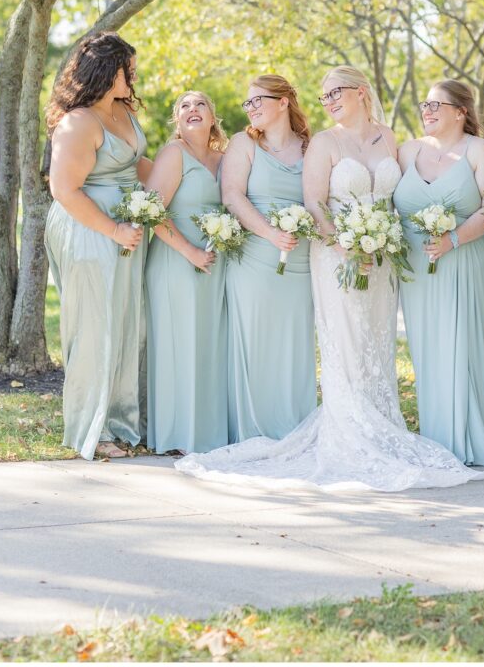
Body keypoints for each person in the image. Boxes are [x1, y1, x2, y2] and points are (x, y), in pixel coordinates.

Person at [176, 67, 484, 492]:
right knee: (345, 343)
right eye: (323, 97)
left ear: (361, 92)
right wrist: (345, 245)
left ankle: (381, 424)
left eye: (335, 93)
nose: (328, 102)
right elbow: (315, 203)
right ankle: (350, 433)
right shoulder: (323, 142)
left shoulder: (389, 136)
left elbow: (399, 196)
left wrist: (384, 239)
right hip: (336, 254)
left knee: (376, 344)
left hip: (382, 256)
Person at [44, 32, 149, 460]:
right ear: (109, 71)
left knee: (126, 325)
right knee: (94, 328)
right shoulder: (78, 123)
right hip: (90, 232)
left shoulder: (122, 110)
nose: (135, 76)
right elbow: (65, 190)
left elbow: (141, 166)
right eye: (130, 68)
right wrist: (113, 230)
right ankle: (91, 427)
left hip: (125, 231)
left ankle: (120, 421)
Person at [394, 80, 484, 466]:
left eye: (436, 105)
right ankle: (437, 437)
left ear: (460, 111)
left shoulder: (479, 150)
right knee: (428, 350)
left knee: (463, 344)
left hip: (463, 260)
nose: (427, 110)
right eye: (424, 104)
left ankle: (474, 436)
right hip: (416, 267)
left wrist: (453, 239)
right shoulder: (407, 150)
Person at [216, 74, 316, 442]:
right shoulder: (244, 143)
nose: (252, 108)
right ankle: (253, 430)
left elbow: (321, 199)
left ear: (283, 102)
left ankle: (295, 428)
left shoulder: (311, 146)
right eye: (249, 102)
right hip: (255, 256)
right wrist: (270, 232)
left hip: (302, 261)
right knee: (255, 343)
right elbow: (232, 195)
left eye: (258, 100)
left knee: (294, 345)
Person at [145, 90, 228, 454]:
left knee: (209, 345)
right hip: (175, 261)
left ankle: (208, 433)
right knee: (179, 346)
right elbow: (150, 211)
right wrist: (189, 251)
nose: (192, 110)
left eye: (200, 105)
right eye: (184, 106)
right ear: (176, 119)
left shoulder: (224, 159)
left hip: (215, 265)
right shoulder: (173, 154)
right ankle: (178, 435)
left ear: (212, 116)